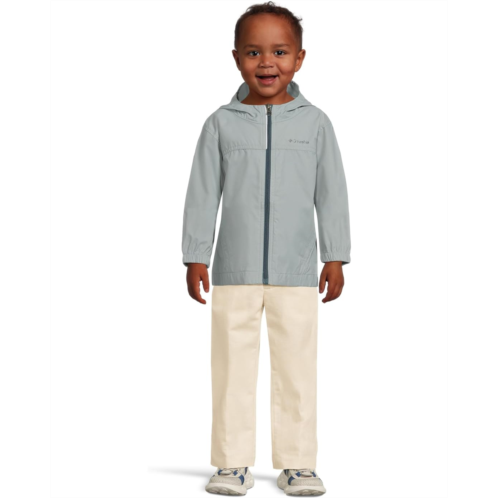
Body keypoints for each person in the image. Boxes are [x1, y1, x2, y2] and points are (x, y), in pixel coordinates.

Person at [182, 2, 351, 495]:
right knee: (231, 368)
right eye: (254, 52)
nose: (266, 62)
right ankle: (232, 463)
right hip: (233, 270)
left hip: (296, 271)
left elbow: (332, 192)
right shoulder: (221, 123)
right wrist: (196, 254)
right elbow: (202, 193)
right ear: (237, 58)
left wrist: (335, 254)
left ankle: (298, 464)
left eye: (279, 51)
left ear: (299, 58)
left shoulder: (315, 123)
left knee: (297, 369)